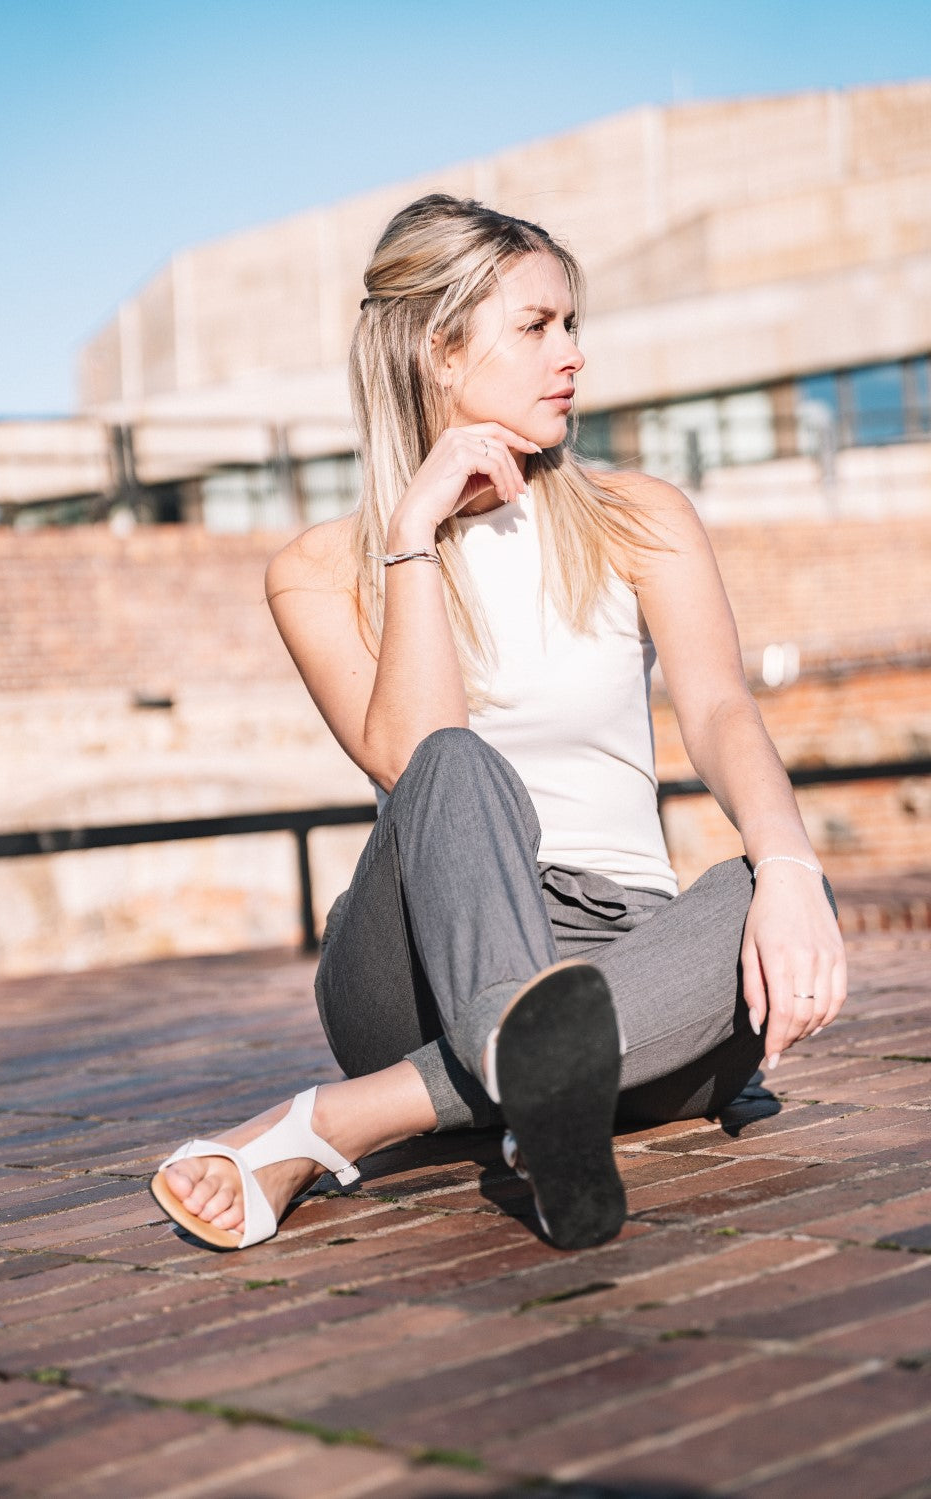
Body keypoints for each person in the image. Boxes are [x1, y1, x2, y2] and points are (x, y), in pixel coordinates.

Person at [150, 194, 847, 1253]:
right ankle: (534, 1072)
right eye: (535, 327)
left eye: (571, 324)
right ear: (437, 348)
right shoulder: (317, 571)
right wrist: (414, 534)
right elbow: (412, 759)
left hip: (625, 949)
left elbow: (718, 710)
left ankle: (348, 1119)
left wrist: (791, 869)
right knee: (458, 762)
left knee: (771, 883)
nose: (570, 353)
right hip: (417, 966)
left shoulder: (640, 519)